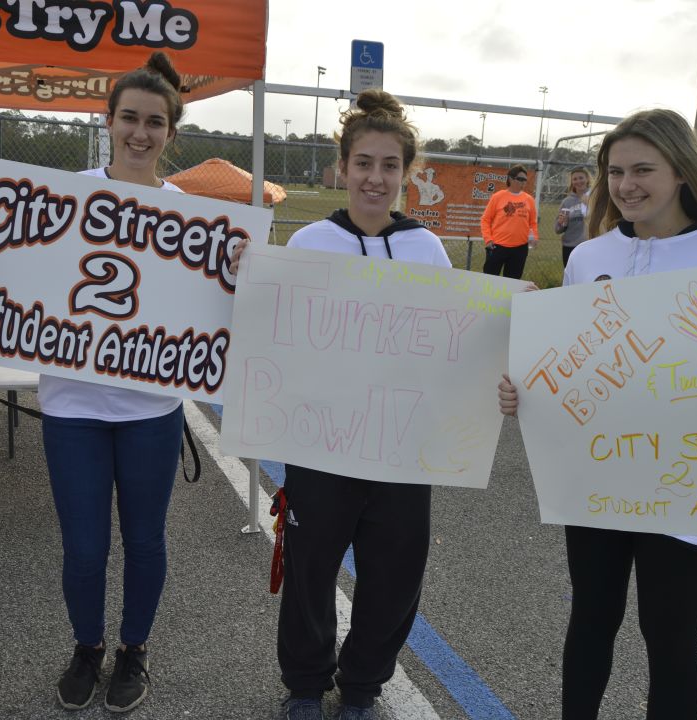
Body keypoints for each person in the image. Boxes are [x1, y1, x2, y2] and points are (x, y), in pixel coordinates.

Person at [497, 108, 697, 720]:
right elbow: (571, 369)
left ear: (682, 172)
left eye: (644, 169)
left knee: (670, 640)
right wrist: (525, 393)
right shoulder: (590, 258)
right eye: (615, 171)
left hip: (690, 486)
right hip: (600, 478)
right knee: (590, 621)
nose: (626, 185)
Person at [0, 51, 187, 714]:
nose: (141, 132)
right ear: (108, 121)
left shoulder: (189, 213)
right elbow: (14, 272)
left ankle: (134, 650)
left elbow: (211, 304)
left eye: (155, 122)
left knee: (145, 540)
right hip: (73, 404)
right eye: (129, 118)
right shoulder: (63, 194)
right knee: (83, 545)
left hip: (151, 410)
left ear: (171, 131)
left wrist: (240, 269)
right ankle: (88, 646)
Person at [232, 89, 449, 720]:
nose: (375, 178)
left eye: (389, 166)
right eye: (364, 163)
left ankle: (361, 687)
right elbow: (271, 332)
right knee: (310, 570)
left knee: (393, 574)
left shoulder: (426, 250)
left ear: (406, 174)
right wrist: (248, 278)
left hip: (402, 446)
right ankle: (304, 683)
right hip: (321, 442)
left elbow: (448, 349)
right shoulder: (309, 243)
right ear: (343, 168)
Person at [479, 163, 538, 279]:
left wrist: (534, 236)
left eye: (525, 180)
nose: (523, 182)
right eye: (520, 179)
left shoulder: (529, 199)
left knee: (512, 282)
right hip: (497, 246)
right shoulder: (498, 197)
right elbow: (485, 220)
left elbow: (533, 223)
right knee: (489, 280)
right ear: (510, 178)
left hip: (520, 248)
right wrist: (488, 239)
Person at [555, 166, 592, 267]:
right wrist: (562, 222)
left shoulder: (595, 196)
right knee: (571, 280)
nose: (578, 181)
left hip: (590, 246)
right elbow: (558, 229)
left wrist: (591, 204)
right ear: (572, 182)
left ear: (587, 179)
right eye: (575, 179)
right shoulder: (567, 202)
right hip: (570, 247)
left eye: (581, 178)